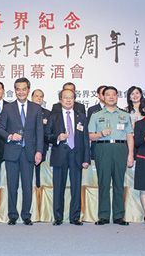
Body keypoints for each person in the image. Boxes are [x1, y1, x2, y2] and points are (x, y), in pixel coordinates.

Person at [0, 77, 43, 226]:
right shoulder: (8, 108)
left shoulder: (36, 108)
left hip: (29, 152)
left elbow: (39, 131)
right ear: (15, 91)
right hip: (12, 152)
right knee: (12, 184)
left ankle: (26, 215)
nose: (21, 92)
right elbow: (0, 129)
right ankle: (12, 215)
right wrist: (10, 136)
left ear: (28, 90)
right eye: (18, 89)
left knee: (27, 185)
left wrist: (39, 151)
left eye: (24, 89)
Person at [88, 86, 134, 226]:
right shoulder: (96, 115)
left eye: (113, 94)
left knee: (119, 182)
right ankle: (103, 216)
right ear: (102, 97)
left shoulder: (124, 115)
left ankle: (119, 216)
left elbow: (130, 136)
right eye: (107, 95)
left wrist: (130, 154)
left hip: (121, 148)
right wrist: (101, 134)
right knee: (103, 182)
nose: (111, 97)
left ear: (117, 97)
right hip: (103, 148)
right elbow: (90, 136)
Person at [45, 89, 90, 226]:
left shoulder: (81, 116)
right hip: (60, 155)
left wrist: (86, 159)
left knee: (76, 187)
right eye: (65, 97)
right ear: (60, 100)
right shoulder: (54, 117)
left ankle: (75, 217)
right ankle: (58, 217)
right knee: (59, 186)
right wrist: (57, 138)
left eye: (71, 97)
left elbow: (85, 139)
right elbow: (46, 136)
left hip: (77, 155)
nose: (69, 100)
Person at [31, 89, 50, 188]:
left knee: (39, 170)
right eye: (36, 96)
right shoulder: (27, 111)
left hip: (41, 146)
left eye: (41, 96)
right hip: (28, 146)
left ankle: (38, 189)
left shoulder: (47, 113)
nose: (39, 98)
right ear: (31, 98)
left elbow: (48, 131)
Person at [87, 85, 107, 160]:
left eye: (107, 94)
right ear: (98, 95)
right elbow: (90, 130)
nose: (105, 96)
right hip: (97, 144)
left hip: (112, 146)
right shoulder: (92, 110)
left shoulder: (117, 110)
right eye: (103, 93)